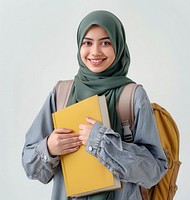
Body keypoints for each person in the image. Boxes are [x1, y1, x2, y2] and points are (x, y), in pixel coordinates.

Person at [22, 10, 167, 200]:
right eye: (87, 42)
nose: (95, 51)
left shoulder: (132, 96)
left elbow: (153, 172)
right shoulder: (62, 93)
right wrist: (49, 148)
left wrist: (103, 143)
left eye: (106, 43)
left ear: (119, 45)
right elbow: (29, 166)